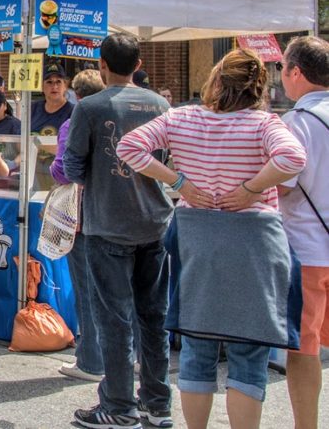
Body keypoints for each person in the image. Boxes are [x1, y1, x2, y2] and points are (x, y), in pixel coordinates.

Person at [117, 48, 306, 429]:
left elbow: (128, 147)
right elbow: (292, 159)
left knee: (196, 346)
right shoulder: (265, 124)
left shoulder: (181, 117)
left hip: (197, 237)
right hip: (255, 241)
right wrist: (251, 189)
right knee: (248, 353)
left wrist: (179, 181)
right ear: (257, 87)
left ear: (216, 80)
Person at [62, 33, 173, 429]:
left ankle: (119, 405)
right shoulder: (160, 105)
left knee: (114, 318)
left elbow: (72, 165)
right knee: (153, 317)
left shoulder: (90, 107)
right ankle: (157, 403)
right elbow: (167, 158)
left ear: (102, 65)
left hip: (107, 223)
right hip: (155, 220)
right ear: (139, 63)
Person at [272, 36, 329, 429]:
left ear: (295, 72)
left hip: (308, 250)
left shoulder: (296, 124)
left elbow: (283, 184)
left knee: (304, 348)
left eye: (282, 68)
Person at [50, 68, 106, 383]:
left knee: (87, 291)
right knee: (120, 293)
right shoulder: (123, 121)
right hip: (119, 217)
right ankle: (126, 357)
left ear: (77, 95)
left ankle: (90, 360)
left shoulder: (73, 125)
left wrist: (47, 163)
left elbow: (62, 170)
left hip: (83, 218)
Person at [31, 62, 73, 135]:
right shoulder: (32, 109)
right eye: (49, 82)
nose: (54, 87)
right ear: (41, 86)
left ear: (65, 85)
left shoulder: (73, 112)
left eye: (58, 82)